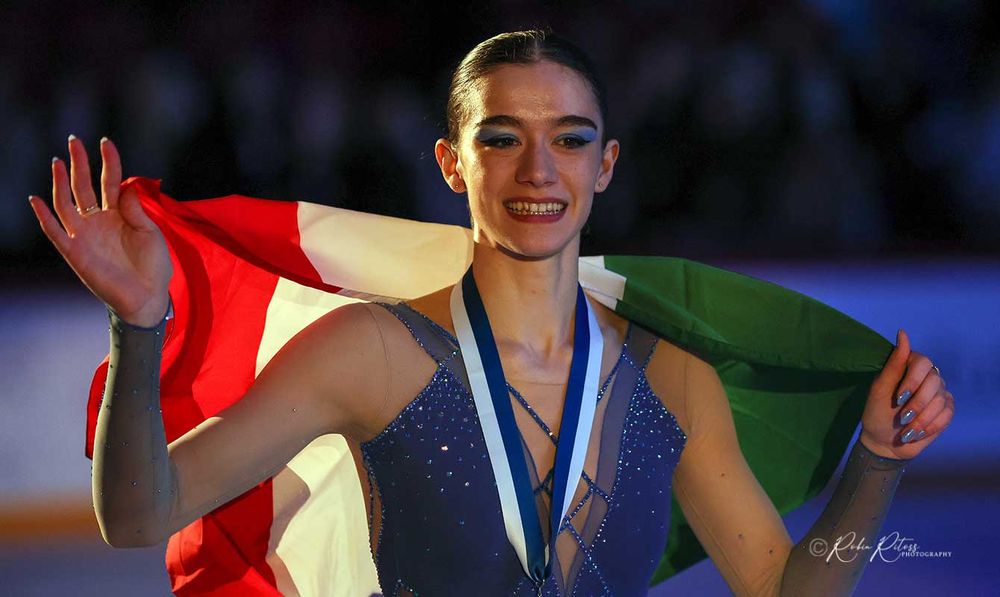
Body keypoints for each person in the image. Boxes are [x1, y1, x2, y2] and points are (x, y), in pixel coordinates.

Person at [28, 30, 954, 596]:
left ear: (608, 165)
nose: (538, 171)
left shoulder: (674, 380)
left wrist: (875, 465)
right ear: (449, 163)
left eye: (570, 141)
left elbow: (787, 590)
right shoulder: (372, 354)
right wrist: (139, 327)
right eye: (501, 139)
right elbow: (140, 517)